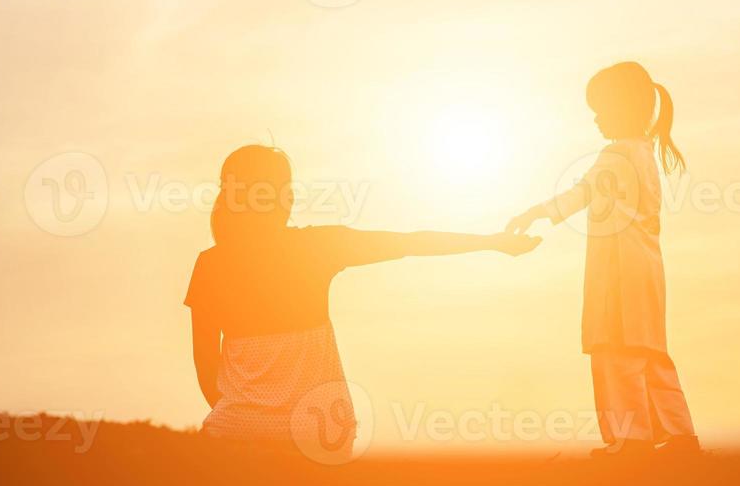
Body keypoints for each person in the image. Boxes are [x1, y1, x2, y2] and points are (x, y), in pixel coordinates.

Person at [186, 144, 540, 460]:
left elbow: (205, 364)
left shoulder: (210, 265)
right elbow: (411, 243)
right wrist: (492, 242)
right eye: (284, 189)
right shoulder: (317, 247)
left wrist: (247, 419)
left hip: (238, 430)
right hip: (321, 433)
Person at [506, 61, 700, 457]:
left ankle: (631, 440)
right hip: (647, 269)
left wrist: (535, 213)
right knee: (651, 352)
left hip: (617, 273)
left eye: (601, 110)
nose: (596, 120)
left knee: (616, 350)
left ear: (621, 109)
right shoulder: (644, 153)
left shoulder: (615, 156)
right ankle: (680, 436)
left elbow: (580, 194)